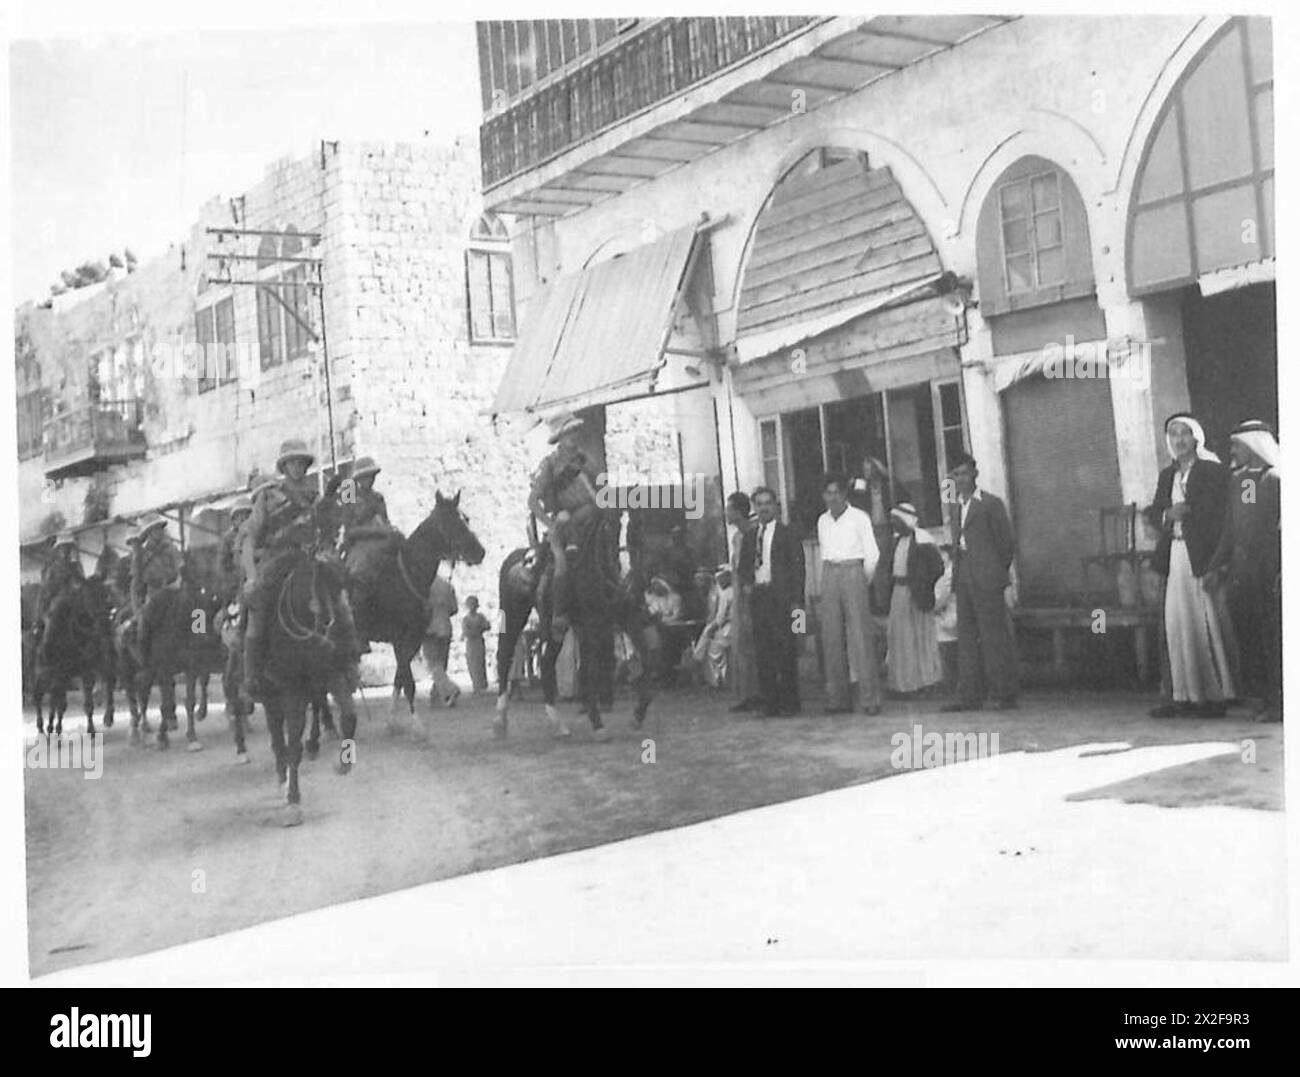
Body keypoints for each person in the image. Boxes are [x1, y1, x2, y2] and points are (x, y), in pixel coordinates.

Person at [241, 437, 362, 704]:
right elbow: (250, 539)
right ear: (284, 466)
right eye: (292, 463)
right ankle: (251, 675)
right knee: (258, 606)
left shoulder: (314, 497)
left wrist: (333, 499)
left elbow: (329, 527)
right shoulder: (268, 497)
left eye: (301, 463)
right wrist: (251, 576)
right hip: (279, 560)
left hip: (310, 558)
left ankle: (350, 657)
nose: (297, 467)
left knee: (340, 593)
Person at [1146, 414, 1235, 718]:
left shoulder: (1213, 471)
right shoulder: (1166, 475)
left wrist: (1193, 516)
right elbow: (1154, 512)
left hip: (1203, 558)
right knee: (1176, 623)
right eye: (1173, 434)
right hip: (1175, 556)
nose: (1179, 439)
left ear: (1196, 437)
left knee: (1204, 623)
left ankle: (1215, 697)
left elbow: (1223, 516)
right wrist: (1168, 515)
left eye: (1185, 433)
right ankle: (1182, 696)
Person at [1205, 420, 1280, 722]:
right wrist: (1215, 566)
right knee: (1248, 632)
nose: (1233, 451)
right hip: (1242, 571)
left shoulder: (1275, 478)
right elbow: (1230, 529)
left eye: (1237, 445)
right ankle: (1264, 696)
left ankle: (1281, 699)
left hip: (1269, 569)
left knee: (1272, 634)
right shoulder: (1239, 482)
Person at [940, 452, 1018, 712]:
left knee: (993, 637)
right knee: (966, 637)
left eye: (964, 473)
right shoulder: (954, 505)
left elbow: (1006, 544)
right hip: (964, 578)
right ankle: (970, 695)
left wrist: (994, 573)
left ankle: (1004, 693)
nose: (961, 479)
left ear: (975, 474)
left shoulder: (990, 504)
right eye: (956, 475)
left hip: (987, 578)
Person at [814, 472, 882, 715]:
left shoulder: (859, 518)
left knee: (861, 637)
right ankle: (838, 699)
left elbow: (873, 554)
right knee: (830, 637)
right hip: (830, 571)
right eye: (828, 493)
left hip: (854, 570)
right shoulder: (822, 520)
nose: (832, 498)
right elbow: (824, 551)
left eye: (836, 493)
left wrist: (862, 580)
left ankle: (870, 699)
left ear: (844, 494)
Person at [737, 486, 805, 717]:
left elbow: (798, 569)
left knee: (786, 650)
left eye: (768, 503)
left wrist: (798, 606)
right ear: (755, 508)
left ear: (776, 506)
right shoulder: (750, 536)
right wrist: (747, 585)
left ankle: (790, 703)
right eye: (760, 504)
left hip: (783, 599)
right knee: (763, 652)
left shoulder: (788, 533)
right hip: (760, 597)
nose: (764, 508)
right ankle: (770, 703)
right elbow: (743, 567)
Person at [528, 415, 600, 633]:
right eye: (570, 433)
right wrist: (551, 525)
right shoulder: (550, 465)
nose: (575, 437)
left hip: (589, 520)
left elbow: (600, 489)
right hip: (562, 523)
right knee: (561, 561)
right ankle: (559, 613)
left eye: (576, 432)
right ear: (560, 437)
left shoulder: (586, 461)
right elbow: (533, 502)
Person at [885, 501, 945, 695]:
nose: (894, 524)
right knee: (900, 639)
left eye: (897, 520)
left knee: (920, 639)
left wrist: (922, 584)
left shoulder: (923, 539)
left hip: (917, 594)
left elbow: (937, 567)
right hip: (898, 593)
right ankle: (903, 684)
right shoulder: (896, 541)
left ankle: (924, 682)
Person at [338, 455, 400, 626]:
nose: (369, 480)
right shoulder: (348, 492)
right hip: (359, 543)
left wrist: (388, 530)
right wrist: (374, 530)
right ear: (358, 478)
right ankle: (357, 616)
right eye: (365, 476)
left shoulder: (378, 497)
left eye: (372, 476)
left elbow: (385, 520)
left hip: (381, 541)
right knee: (358, 570)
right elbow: (349, 527)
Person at [848, 454, 907, 616]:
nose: (866, 472)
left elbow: (902, 500)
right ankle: (876, 604)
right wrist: (851, 486)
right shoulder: (863, 487)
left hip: (885, 529)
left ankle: (885, 604)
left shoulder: (888, 485)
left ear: (876, 469)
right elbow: (853, 505)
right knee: (870, 566)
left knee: (883, 567)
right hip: (870, 530)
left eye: (869, 469)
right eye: (864, 470)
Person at [725, 491, 761, 712]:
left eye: (729, 509)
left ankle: (757, 692)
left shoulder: (751, 534)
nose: (727, 513)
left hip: (749, 593)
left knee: (752, 642)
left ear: (738, 512)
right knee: (741, 644)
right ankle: (746, 692)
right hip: (738, 592)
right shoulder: (736, 537)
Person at [132, 513, 183, 663]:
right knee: (143, 624)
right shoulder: (140, 555)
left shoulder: (171, 548)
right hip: (153, 594)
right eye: (154, 530)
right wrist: (137, 608)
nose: (159, 532)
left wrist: (179, 581)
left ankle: (199, 643)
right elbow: (136, 582)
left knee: (196, 611)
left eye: (160, 529)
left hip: (173, 590)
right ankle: (145, 662)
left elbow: (181, 567)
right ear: (148, 533)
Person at [35, 534, 85, 661]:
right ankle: (47, 647)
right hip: (58, 600)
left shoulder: (75, 566)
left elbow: (81, 581)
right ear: (58, 551)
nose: (66, 552)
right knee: (54, 615)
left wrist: (79, 584)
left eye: (68, 548)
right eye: (63, 548)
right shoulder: (52, 569)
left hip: (76, 598)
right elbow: (47, 588)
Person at [692, 564, 734, 689]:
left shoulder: (726, 593)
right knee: (705, 643)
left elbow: (720, 617)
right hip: (724, 627)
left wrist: (712, 628)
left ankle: (718, 680)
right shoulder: (722, 592)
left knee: (713, 649)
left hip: (728, 628)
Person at [423, 571, 461, 707]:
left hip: (430, 628)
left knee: (433, 664)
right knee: (442, 664)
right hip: (446, 626)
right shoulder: (447, 586)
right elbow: (454, 609)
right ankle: (439, 695)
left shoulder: (424, 585)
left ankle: (451, 689)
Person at [932, 544, 958, 692]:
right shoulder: (951, 572)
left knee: (947, 653)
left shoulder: (948, 573)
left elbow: (941, 597)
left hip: (948, 617)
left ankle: (947, 683)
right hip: (950, 615)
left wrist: (932, 607)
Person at [461, 595, 492, 694]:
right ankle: (476, 684)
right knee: (472, 663)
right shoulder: (466, 619)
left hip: (478, 641)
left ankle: (481, 684)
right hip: (471, 642)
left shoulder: (480, 617)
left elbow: (487, 626)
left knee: (480, 663)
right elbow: (465, 632)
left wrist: (481, 628)